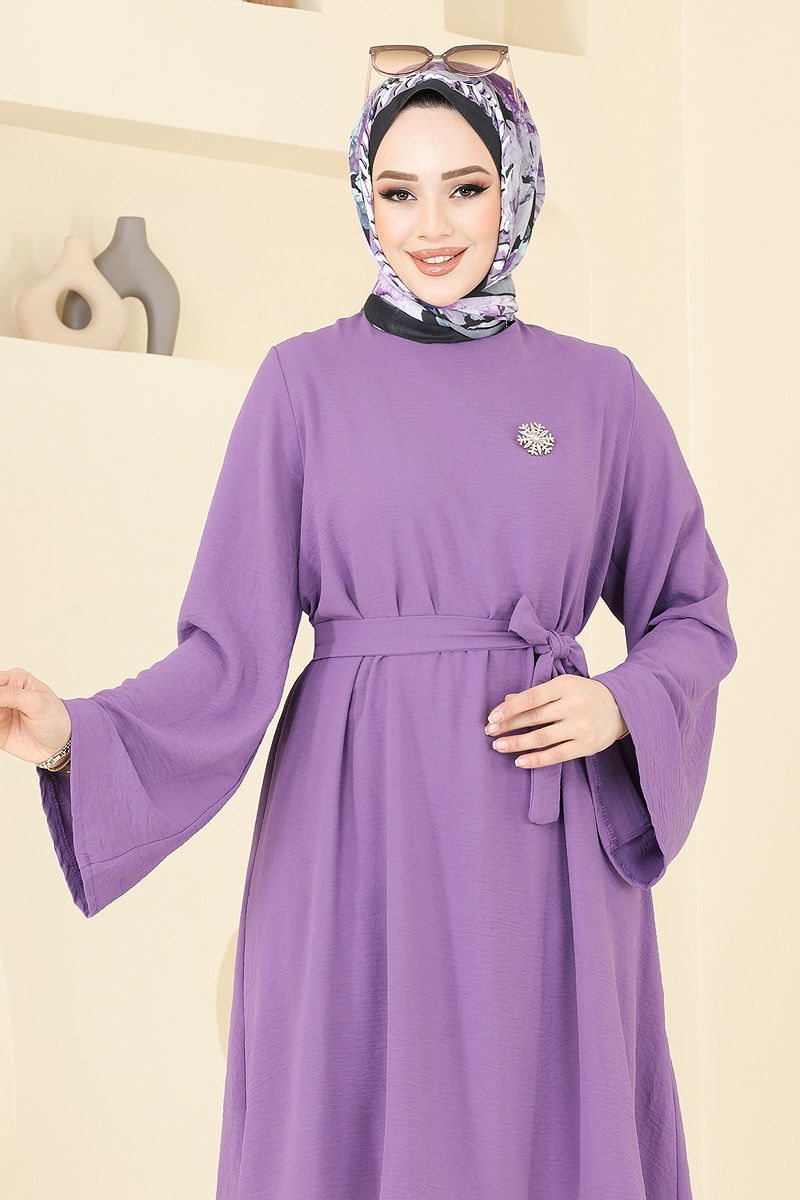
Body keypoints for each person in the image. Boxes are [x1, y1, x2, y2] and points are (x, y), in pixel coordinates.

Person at [0, 55, 737, 1200]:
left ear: (515, 188)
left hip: (538, 840)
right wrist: (74, 740)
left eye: (464, 188)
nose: (429, 226)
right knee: (345, 1103)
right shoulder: (300, 385)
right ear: (363, 197)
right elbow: (229, 653)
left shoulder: (599, 394)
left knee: (543, 1116)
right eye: (398, 191)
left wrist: (617, 703)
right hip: (355, 828)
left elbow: (691, 611)